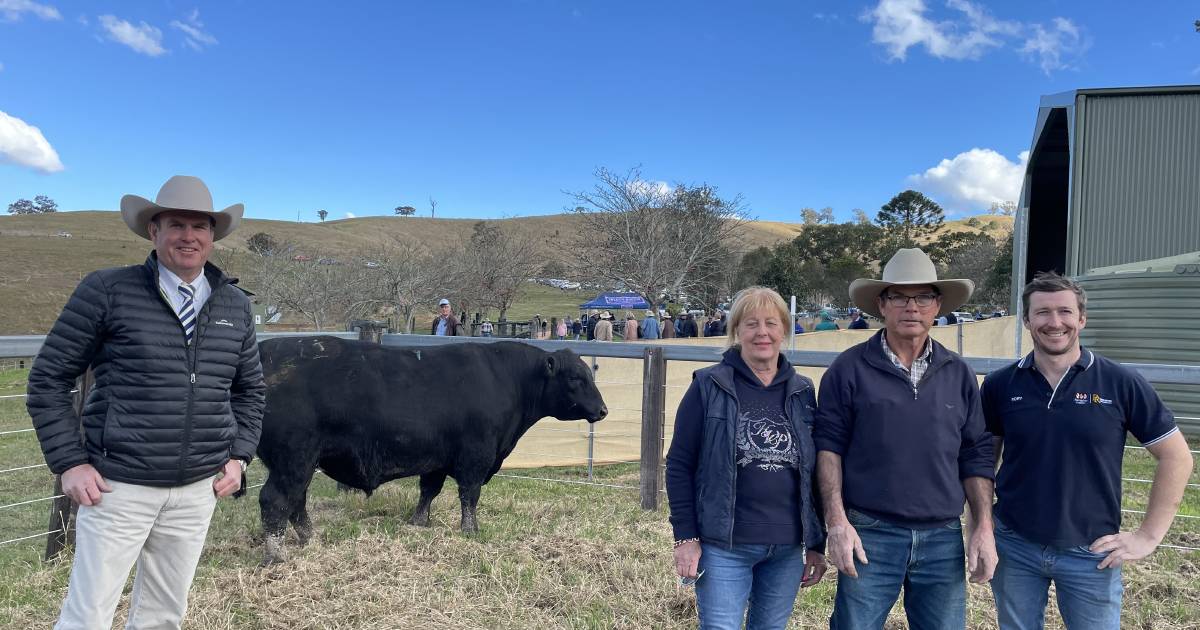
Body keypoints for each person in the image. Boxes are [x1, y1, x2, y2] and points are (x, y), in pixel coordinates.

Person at [26, 175, 266, 629]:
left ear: (213, 237)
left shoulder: (234, 305)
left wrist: (239, 457)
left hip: (198, 489)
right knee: (88, 616)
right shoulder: (108, 291)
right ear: (153, 231)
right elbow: (48, 379)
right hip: (119, 487)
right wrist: (69, 462)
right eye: (176, 224)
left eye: (200, 227)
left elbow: (250, 390)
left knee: (163, 616)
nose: (188, 236)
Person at [982, 272, 1193, 630]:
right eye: (1042, 313)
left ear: (1081, 318)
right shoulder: (1000, 385)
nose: (1054, 322)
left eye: (1065, 312)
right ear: (1027, 320)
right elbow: (984, 460)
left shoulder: (1120, 382)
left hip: (1092, 552)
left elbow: (1177, 456)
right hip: (1014, 545)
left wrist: (1148, 536)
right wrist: (982, 526)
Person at [814, 248, 996, 629]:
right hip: (870, 532)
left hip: (942, 536)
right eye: (899, 296)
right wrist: (836, 521)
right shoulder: (848, 370)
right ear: (882, 304)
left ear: (938, 305)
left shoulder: (958, 374)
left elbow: (975, 453)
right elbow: (829, 448)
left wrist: (982, 526)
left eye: (923, 297)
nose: (911, 307)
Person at [666, 286, 827, 629]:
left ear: (784, 329)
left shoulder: (803, 392)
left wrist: (817, 543)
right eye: (751, 324)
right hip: (725, 547)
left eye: (771, 323)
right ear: (736, 331)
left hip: (786, 547)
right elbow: (679, 463)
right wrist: (686, 537)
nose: (762, 333)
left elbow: (815, 471)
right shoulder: (708, 386)